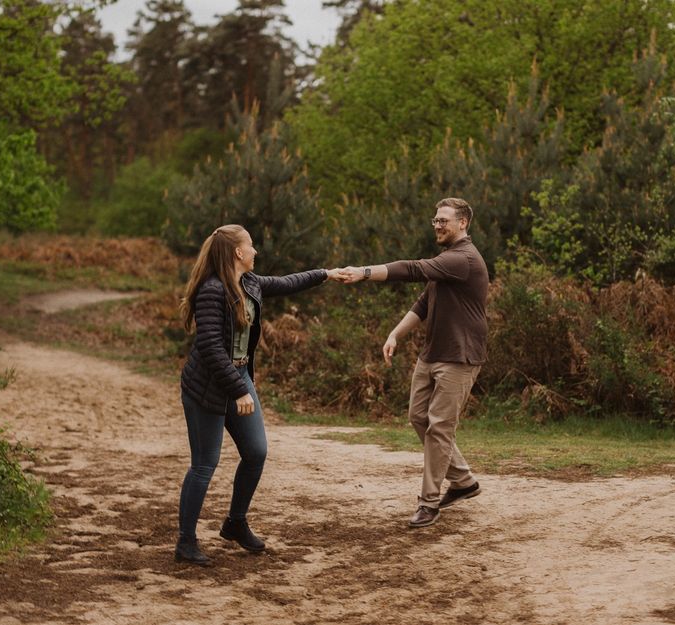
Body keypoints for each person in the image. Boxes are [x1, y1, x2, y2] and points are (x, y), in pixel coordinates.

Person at [175, 224, 345, 565]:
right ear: (238, 252)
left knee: (256, 452)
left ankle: (235, 523)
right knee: (204, 465)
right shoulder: (212, 291)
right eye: (251, 246)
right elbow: (208, 346)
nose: (256, 251)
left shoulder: (250, 283)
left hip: (237, 376)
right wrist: (239, 389)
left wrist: (326, 273)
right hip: (207, 386)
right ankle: (186, 542)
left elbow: (286, 283)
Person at [342, 198, 488, 528]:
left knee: (439, 426)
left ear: (463, 224)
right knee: (418, 416)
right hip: (432, 353)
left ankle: (429, 501)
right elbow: (424, 302)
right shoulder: (445, 262)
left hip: (459, 356)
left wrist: (363, 272)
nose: (437, 225)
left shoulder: (463, 258)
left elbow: (411, 269)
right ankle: (463, 481)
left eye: (444, 221)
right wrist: (395, 334)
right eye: (435, 220)